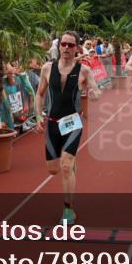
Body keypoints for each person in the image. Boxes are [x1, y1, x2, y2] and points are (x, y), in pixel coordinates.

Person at [35, 31, 100, 225]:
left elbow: (96, 89)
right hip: (53, 123)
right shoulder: (47, 68)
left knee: (65, 167)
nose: (66, 48)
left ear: (76, 48)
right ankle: (70, 163)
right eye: (63, 44)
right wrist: (38, 115)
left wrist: (95, 93)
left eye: (70, 45)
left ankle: (68, 209)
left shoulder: (84, 70)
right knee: (53, 169)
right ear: (59, 46)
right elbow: (39, 94)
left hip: (73, 122)